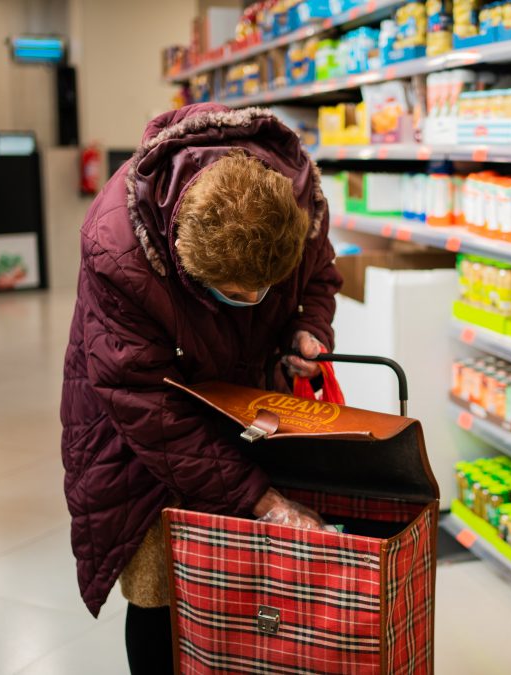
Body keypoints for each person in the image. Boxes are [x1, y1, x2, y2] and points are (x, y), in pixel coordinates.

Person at [60, 103, 342, 674]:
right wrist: (258, 499)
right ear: (185, 265)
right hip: (141, 433)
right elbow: (142, 400)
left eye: (265, 289)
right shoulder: (119, 245)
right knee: (159, 584)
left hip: (247, 407)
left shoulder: (297, 206)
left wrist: (306, 327)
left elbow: (319, 276)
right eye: (234, 294)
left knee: (252, 585)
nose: (253, 301)